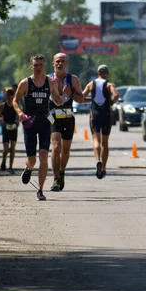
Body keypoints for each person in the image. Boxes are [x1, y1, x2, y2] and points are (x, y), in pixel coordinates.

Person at [13, 54, 63, 201]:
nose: (38, 67)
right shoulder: (25, 83)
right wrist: (20, 113)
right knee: (33, 160)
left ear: (45, 66)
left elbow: (57, 99)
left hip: (45, 122)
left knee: (43, 155)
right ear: (32, 66)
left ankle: (40, 190)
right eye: (36, 65)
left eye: (41, 65)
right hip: (30, 122)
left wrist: (61, 98)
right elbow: (15, 101)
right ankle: (28, 169)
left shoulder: (52, 82)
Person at [48, 53, 84, 192]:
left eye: (62, 61)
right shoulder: (48, 79)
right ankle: (56, 178)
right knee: (56, 146)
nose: (59, 64)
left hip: (68, 117)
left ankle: (62, 171)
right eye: (57, 61)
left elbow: (81, 99)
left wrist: (71, 94)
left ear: (66, 64)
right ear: (53, 64)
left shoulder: (73, 79)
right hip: (53, 117)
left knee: (65, 150)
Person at [82, 65, 119, 179]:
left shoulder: (90, 84)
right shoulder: (109, 85)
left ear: (97, 73)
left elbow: (81, 98)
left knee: (96, 141)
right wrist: (111, 102)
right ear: (106, 74)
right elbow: (116, 95)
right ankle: (103, 168)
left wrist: (91, 99)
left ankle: (98, 159)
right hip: (107, 115)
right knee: (105, 143)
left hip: (95, 115)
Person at [0, 88, 18, 174]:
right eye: (9, 97)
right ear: (6, 97)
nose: (10, 99)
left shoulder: (16, 106)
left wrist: (19, 121)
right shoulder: (3, 106)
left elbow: (22, 114)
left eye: (12, 97)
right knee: (6, 148)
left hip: (14, 129)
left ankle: (11, 167)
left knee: (13, 148)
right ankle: (4, 160)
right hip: (6, 128)